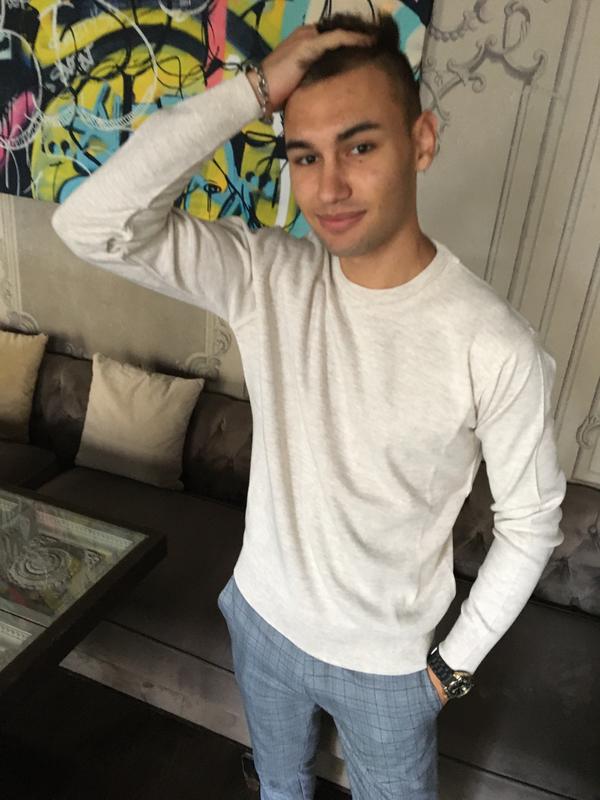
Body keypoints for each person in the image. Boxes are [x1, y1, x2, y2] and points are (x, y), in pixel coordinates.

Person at [52, 12, 566, 800]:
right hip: (260, 620)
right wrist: (254, 90)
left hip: (390, 670)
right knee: (279, 789)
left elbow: (531, 525)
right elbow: (90, 225)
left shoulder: (495, 345)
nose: (328, 188)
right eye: (305, 156)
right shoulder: (267, 278)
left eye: (359, 147)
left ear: (421, 141)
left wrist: (448, 672)